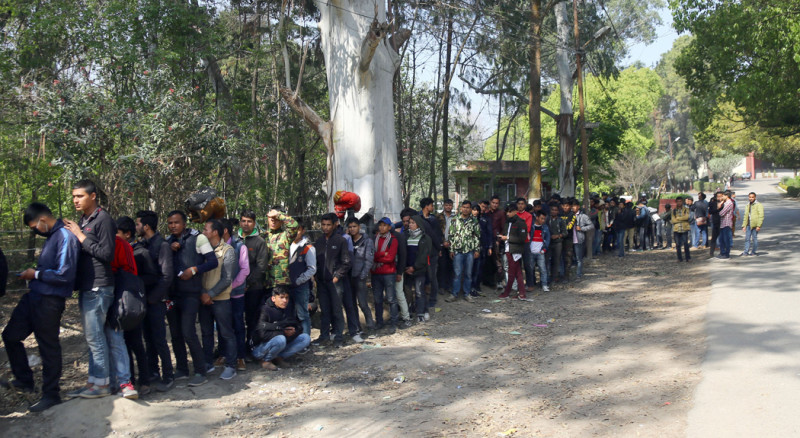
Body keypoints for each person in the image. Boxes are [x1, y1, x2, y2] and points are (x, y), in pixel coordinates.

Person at [1, 203, 79, 412]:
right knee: (10, 335)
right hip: (34, 297)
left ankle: (51, 394)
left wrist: (34, 274)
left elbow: (65, 274)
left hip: (50, 302)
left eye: (34, 226)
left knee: (48, 347)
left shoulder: (65, 236)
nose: (34, 231)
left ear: (43, 220)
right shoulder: (52, 237)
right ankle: (24, 380)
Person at [62, 180, 119, 399]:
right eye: (74, 196)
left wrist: (79, 235)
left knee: (95, 337)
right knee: (92, 337)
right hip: (87, 285)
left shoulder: (103, 219)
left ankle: (103, 384)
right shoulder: (85, 219)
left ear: (93, 196)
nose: (75, 200)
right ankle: (94, 382)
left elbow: (107, 254)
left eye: (80, 196)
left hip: (99, 286)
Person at [165, 210, 218, 387]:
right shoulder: (167, 241)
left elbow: (212, 261)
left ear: (184, 223)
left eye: (176, 222)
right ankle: (181, 369)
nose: (173, 226)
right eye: (170, 223)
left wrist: (194, 270)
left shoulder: (198, 239)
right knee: (176, 333)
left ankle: (200, 370)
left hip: (191, 293)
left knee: (188, 331)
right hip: (172, 294)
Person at [134, 210, 176, 392]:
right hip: (143, 299)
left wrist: (153, 298)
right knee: (148, 338)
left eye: (137, 224)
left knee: (159, 339)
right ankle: (153, 371)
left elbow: (167, 276)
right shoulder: (141, 244)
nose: (136, 228)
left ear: (146, 226)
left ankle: (168, 375)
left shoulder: (162, 245)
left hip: (156, 300)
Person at [117, 216, 155, 396]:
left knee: (136, 343)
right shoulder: (117, 250)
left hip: (134, 303)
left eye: (117, 233)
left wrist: (133, 282)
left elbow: (152, 276)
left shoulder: (141, 253)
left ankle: (145, 380)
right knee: (122, 343)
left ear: (127, 234)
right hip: (119, 303)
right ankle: (129, 380)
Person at [198, 219, 238, 380]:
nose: (203, 232)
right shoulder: (201, 250)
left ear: (215, 232)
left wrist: (210, 294)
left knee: (226, 333)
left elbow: (227, 278)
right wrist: (202, 293)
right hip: (203, 298)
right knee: (206, 333)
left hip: (220, 299)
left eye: (206, 229)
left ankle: (231, 365)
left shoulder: (228, 251)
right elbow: (199, 274)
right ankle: (208, 363)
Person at [106, 219, 138, 400]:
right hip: (115, 296)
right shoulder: (118, 243)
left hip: (116, 297)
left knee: (115, 338)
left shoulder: (119, 244)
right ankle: (112, 383)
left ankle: (123, 382)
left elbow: (128, 272)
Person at [313, 213, 351, 347]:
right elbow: (316, 262)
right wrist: (316, 277)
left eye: (328, 224)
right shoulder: (319, 241)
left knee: (337, 309)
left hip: (335, 282)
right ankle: (324, 336)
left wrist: (337, 276)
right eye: (323, 224)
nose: (325, 227)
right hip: (322, 282)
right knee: (324, 310)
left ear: (335, 225)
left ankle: (339, 337)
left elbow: (346, 262)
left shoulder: (341, 240)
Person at [217, 219, 250, 371]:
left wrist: (231, 286)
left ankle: (240, 357)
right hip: (219, 294)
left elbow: (245, 269)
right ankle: (224, 354)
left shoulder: (239, 246)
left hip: (235, 294)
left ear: (224, 230)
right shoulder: (213, 246)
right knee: (222, 325)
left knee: (238, 325)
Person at [251, 287, 310, 371]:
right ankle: (265, 360)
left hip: (279, 343)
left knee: (305, 338)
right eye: (281, 297)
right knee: (280, 339)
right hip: (260, 349)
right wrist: (282, 331)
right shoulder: (264, 310)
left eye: (286, 298)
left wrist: (293, 331)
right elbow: (261, 334)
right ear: (273, 298)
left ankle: (277, 357)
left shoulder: (287, 309)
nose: (285, 301)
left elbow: (298, 326)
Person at [238, 210, 268, 349]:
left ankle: (251, 347)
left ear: (254, 223)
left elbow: (261, 267)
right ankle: (237, 349)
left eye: (249, 221)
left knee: (252, 319)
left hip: (254, 288)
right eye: (243, 221)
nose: (246, 224)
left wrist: (247, 283)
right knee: (236, 319)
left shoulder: (259, 242)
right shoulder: (234, 239)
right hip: (235, 288)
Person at [445, 200, 480, 302]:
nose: (465, 209)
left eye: (468, 207)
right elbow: (451, 236)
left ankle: (467, 293)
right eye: (463, 207)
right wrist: (451, 250)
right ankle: (454, 294)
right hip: (457, 250)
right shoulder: (455, 220)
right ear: (460, 208)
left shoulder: (474, 221)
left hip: (469, 250)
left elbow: (477, 236)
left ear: (470, 209)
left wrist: (477, 250)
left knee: (468, 273)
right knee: (457, 273)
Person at [347, 218, 375, 338]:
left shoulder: (366, 241)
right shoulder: (347, 241)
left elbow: (369, 260)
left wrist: (363, 275)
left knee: (362, 303)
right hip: (348, 277)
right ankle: (356, 327)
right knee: (351, 304)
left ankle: (370, 325)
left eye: (354, 226)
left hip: (360, 277)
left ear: (359, 227)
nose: (352, 229)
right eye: (350, 227)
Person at [371, 217, 401, 328]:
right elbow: (371, 255)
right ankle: (379, 322)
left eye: (384, 225)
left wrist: (377, 256)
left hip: (389, 273)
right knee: (377, 299)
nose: (382, 227)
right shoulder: (374, 239)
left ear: (389, 227)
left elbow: (390, 258)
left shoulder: (393, 240)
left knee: (391, 298)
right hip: (376, 272)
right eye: (380, 225)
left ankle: (394, 322)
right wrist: (383, 254)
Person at [289, 220, 316, 338]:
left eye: (297, 229)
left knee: (302, 314)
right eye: (292, 230)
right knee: (290, 314)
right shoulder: (285, 245)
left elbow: (312, 269)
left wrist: (299, 280)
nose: (295, 232)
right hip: (287, 285)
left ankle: (305, 340)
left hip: (301, 286)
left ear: (303, 230)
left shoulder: (308, 247)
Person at [405, 216, 433, 322]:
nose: (410, 225)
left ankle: (421, 313)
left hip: (419, 270)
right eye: (410, 223)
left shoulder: (425, 238)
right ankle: (410, 311)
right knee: (407, 291)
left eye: (413, 223)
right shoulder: (407, 237)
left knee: (419, 291)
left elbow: (424, 256)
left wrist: (414, 267)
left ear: (418, 224)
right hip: (407, 270)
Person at [499, 203, 528, 299]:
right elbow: (505, 233)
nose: (508, 213)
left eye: (510, 211)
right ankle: (521, 293)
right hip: (507, 249)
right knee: (517, 272)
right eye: (507, 211)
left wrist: (507, 238)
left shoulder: (521, 222)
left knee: (513, 272)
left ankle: (507, 292)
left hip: (515, 250)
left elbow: (522, 238)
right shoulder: (508, 222)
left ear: (515, 211)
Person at [419, 198, 443, 306]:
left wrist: (439, 248)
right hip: (420, 252)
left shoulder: (433, 219)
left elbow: (437, 235)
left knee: (432, 275)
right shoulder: (417, 218)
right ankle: (421, 299)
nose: (432, 208)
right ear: (426, 206)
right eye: (432, 205)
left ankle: (433, 299)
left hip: (432, 252)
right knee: (421, 276)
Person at [471, 201, 493, 297]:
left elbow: (489, 233)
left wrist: (490, 246)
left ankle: (476, 286)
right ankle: (470, 288)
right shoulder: (467, 220)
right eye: (474, 210)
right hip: (469, 248)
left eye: (477, 210)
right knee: (470, 269)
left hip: (482, 247)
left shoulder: (485, 220)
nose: (476, 212)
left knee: (479, 269)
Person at [571, 200, 594, 281]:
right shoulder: (569, 215)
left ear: (578, 206)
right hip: (569, 240)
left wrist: (581, 228)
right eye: (572, 206)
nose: (572, 207)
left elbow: (591, 226)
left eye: (574, 206)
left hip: (578, 239)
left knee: (579, 259)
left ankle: (578, 275)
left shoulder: (583, 216)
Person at [436, 199, 455, 295]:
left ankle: (449, 286)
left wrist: (451, 242)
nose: (448, 207)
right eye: (447, 205)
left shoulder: (455, 217)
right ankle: (441, 286)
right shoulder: (438, 217)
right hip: (441, 245)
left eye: (450, 205)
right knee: (442, 266)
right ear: (444, 206)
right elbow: (436, 231)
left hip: (452, 245)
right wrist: (442, 242)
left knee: (451, 266)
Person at [529, 210, 550, 292]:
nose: (543, 220)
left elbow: (547, 239)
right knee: (530, 269)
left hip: (540, 252)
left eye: (544, 219)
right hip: (531, 252)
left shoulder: (545, 227)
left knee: (543, 269)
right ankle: (531, 284)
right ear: (537, 218)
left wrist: (544, 249)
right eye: (541, 218)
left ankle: (544, 284)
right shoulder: (531, 227)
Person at [546, 203, 566, 282]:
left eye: (555, 210)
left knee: (556, 260)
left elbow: (565, 233)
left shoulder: (560, 220)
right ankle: (547, 278)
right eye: (552, 210)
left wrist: (558, 236)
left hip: (558, 243)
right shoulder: (547, 220)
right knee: (547, 260)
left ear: (558, 211)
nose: (554, 212)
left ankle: (555, 277)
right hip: (548, 243)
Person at [741, 192, 764, 256]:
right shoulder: (748, 205)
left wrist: (759, 225)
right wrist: (744, 225)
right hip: (748, 225)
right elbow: (746, 215)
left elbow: (761, 215)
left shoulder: (758, 205)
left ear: (755, 197)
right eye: (750, 197)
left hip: (755, 225)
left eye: (752, 197)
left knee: (754, 238)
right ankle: (746, 251)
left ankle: (753, 251)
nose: (751, 198)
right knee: (747, 239)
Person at [671, 197, 691, 262]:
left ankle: (688, 257)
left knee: (685, 243)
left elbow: (687, 217)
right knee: (678, 244)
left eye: (680, 201)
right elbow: (673, 220)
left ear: (682, 202)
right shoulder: (673, 211)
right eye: (678, 201)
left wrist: (678, 218)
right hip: (676, 229)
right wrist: (682, 218)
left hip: (684, 228)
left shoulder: (686, 209)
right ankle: (679, 258)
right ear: (676, 202)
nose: (679, 203)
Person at [717, 190, 735, 259]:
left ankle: (727, 254)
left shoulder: (729, 203)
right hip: (722, 223)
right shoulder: (725, 202)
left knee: (726, 240)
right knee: (721, 240)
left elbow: (721, 213)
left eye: (723, 196)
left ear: (726, 196)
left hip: (726, 224)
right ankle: (722, 253)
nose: (722, 197)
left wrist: (719, 208)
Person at [708, 191, 722, 256]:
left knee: (722, 238)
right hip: (715, 222)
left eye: (720, 196)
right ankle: (711, 252)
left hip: (723, 223)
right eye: (718, 196)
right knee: (713, 238)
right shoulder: (713, 203)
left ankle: (723, 252)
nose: (719, 198)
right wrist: (717, 209)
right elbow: (710, 211)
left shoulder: (725, 203)